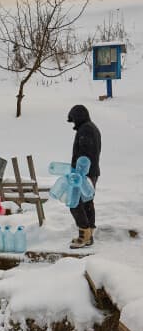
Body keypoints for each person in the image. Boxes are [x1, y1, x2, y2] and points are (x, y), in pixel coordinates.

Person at [67, 105, 101, 249]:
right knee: (87, 202)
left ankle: (84, 236)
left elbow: (85, 154)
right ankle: (89, 233)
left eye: (74, 119)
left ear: (78, 117)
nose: (73, 123)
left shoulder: (85, 130)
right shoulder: (92, 127)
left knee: (75, 204)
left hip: (83, 174)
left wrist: (78, 173)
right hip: (91, 172)